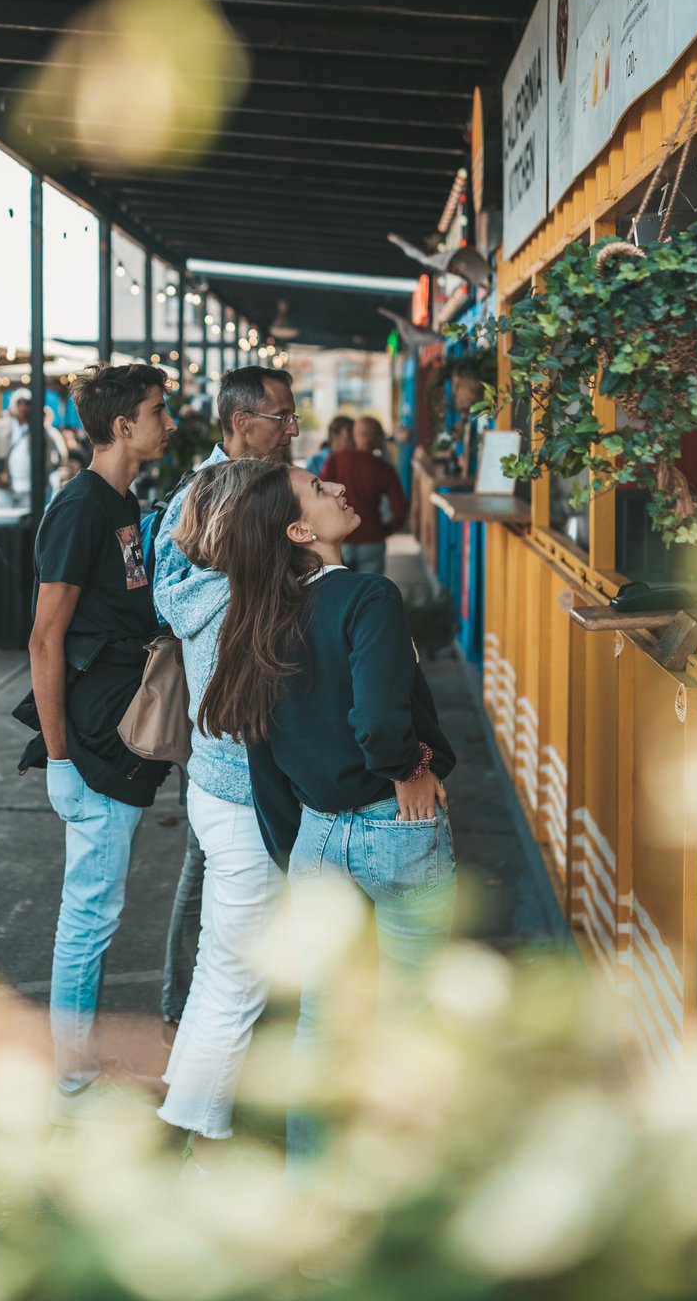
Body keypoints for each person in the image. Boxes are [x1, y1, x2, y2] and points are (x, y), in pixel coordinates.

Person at [196, 460, 456, 1163]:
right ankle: (401, 1188)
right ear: (301, 529)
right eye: (320, 489)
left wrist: (302, 843)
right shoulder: (367, 597)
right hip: (394, 829)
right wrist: (407, 766)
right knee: (411, 1016)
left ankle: (312, 1196)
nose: (340, 487)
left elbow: (262, 758)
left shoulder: (258, 619)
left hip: (315, 836)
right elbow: (376, 721)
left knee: (321, 1022)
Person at [15, 363, 177, 1124]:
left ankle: (77, 1067)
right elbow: (45, 638)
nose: (169, 423)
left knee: (99, 909)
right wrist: (58, 761)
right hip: (93, 744)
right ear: (121, 427)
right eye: (158, 411)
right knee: (90, 913)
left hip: (120, 732)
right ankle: (71, 1082)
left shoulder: (122, 500)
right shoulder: (79, 508)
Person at [153, 366, 301, 1025]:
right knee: (218, 867)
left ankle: (204, 1005)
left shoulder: (273, 486)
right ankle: (193, 1007)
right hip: (226, 726)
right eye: (282, 417)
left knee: (223, 867)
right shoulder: (198, 497)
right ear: (241, 423)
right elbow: (173, 597)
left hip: (263, 719)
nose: (294, 428)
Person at [153, 462, 285, 1162]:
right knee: (239, 986)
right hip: (242, 804)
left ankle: (183, 1089)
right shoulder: (247, 599)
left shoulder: (191, 589)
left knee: (216, 967)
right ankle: (200, 1143)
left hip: (208, 790)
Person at [320, 415, 407, 575]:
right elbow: (400, 509)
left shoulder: (335, 461)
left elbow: (320, 497)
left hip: (340, 539)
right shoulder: (384, 468)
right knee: (369, 595)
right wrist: (384, 530)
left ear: (355, 435)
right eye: (381, 434)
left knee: (342, 593)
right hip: (372, 540)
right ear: (376, 438)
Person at [0, 387, 66, 510]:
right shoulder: (1, 426)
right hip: (5, 487)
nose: (23, 407)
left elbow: (57, 455)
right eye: (19, 402)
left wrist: (45, 477)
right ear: (14, 404)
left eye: (27, 403)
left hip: (31, 489)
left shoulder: (42, 429)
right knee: (4, 524)